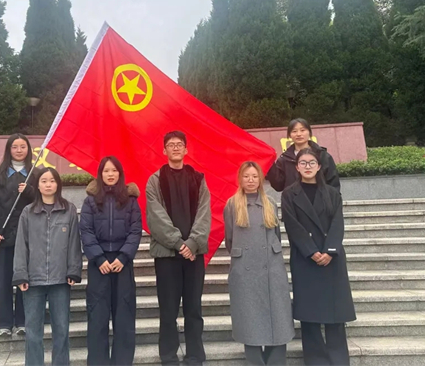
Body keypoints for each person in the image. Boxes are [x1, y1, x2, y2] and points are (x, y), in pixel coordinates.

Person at [281, 148, 356, 366]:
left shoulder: (332, 193)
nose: (307, 167)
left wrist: (330, 250)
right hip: (306, 258)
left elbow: (337, 223)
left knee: (336, 313)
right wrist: (311, 251)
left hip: (332, 258)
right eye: (303, 163)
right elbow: (292, 226)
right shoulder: (289, 194)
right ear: (297, 167)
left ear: (319, 166)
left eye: (311, 163)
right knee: (310, 314)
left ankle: (338, 360)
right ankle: (316, 361)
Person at [146, 131, 212, 366]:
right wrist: (178, 242)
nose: (175, 148)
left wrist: (192, 243)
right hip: (167, 255)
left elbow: (204, 213)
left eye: (179, 144)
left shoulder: (198, 179)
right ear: (164, 150)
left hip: (193, 255)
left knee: (193, 308)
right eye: (171, 145)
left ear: (186, 150)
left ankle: (195, 355)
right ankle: (168, 356)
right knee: (168, 310)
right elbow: (155, 216)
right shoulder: (155, 180)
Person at [224, 161, 294, 365]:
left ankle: (276, 361)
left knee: (278, 315)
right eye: (246, 176)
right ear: (240, 179)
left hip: (271, 266)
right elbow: (230, 239)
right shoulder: (232, 204)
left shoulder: (270, 203)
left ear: (261, 179)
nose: (251, 180)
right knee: (249, 318)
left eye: (255, 176)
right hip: (245, 268)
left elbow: (276, 235)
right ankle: (255, 361)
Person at [13, 167, 82, 366]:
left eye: (52, 181)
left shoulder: (69, 210)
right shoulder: (28, 212)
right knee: (33, 332)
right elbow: (21, 245)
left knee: (61, 330)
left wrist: (73, 270)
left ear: (58, 184)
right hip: (33, 281)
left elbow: (74, 243)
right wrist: (21, 274)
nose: (48, 184)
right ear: (37, 185)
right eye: (44, 181)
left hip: (60, 280)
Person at [80, 156, 143, 366]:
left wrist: (124, 257)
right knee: (97, 318)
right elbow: (86, 231)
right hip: (99, 265)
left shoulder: (130, 200)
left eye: (114, 170)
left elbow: (135, 230)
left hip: (122, 263)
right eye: (106, 171)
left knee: (124, 318)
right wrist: (98, 258)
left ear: (120, 174)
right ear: (100, 174)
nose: (110, 174)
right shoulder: (90, 201)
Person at [0, 133, 35, 337]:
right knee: (4, 282)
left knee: (25, 281)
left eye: (23, 146)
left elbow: (45, 200)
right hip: (3, 238)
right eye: (15, 147)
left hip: (28, 239)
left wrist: (30, 192)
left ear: (28, 149)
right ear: (8, 150)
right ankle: (3, 323)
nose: (19, 150)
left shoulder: (35, 174)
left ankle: (23, 321)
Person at [266, 118, 340, 192]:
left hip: (320, 198)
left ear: (309, 132)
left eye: (302, 130)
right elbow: (278, 185)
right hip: (292, 199)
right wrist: (269, 162)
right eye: (294, 131)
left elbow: (333, 184)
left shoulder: (322, 156)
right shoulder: (284, 159)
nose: (298, 134)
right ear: (289, 135)